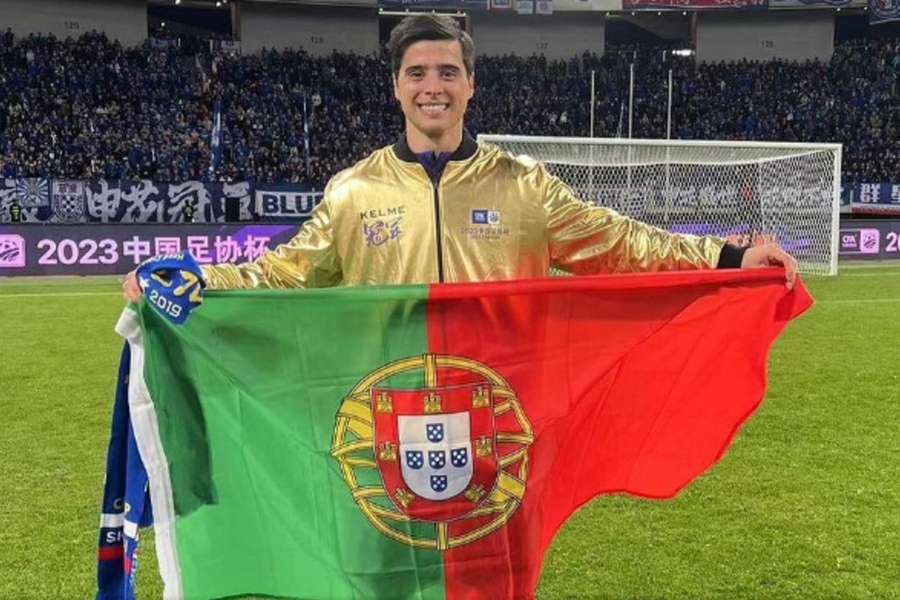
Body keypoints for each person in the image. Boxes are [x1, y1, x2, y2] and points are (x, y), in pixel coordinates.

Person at [123, 14, 796, 301]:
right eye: (417, 73)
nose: (432, 87)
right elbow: (280, 275)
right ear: (396, 87)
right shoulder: (354, 191)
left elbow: (620, 243)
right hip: (386, 406)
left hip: (502, 408)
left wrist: (730, 257)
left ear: (471, 84)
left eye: (447, 71)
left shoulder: (525, 186)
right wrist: (190, 280)